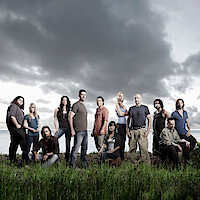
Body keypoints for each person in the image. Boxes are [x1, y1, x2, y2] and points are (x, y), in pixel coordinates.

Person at [126, 94, 151, 165]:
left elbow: (149, 119)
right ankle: (134, 166)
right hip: (132, 130)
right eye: (135, 98)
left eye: (138, 98)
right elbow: (128, 120)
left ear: (141, 99)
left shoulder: (145, 108)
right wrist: (127, 130)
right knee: (132, 149)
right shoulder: (131, 108)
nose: (136, 100)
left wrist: (148, 131)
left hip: (142, 130)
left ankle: (146, 166)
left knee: (144, 149)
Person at [6, 96, 28, 165]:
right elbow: (12, 116)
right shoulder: (13, 106)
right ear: (16, 100)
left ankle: (13, 161)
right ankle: (25, 162)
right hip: (17, 128)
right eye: (20, 100)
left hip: (18, 128)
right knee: (24, 144)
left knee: (14, 144)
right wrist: (17, 125)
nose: (21, 101)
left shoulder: (20, 110)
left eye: (22, 101)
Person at [69, 89, 88, 168]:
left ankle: (83, 164)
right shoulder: (76, 105)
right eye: (82, 94)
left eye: (85, 95)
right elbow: (70, 117)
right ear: (79, 95)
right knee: (76, 148)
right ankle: (72, 165)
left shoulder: (83, 105)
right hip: (78, 131)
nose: (83, 96)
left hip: (85, 131)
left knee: (84, 148)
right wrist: (72, 130)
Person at [54, 96, 71, 162]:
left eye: (66, 100)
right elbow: (55, 119)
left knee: (68, 144)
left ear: (67, 101)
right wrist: (56, 129)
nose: (64, 102)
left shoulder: (69, 110)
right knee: (54, 138)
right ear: (61, 101)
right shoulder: (57, 109)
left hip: (68, 128)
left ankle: (67, 160)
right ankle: (56, 155)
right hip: (61, 128)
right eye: (63, 100)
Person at [115, 91, 128, 160]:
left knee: (123, 140)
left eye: (122, 96)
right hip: (119, 125)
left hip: (124, 125)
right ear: (117, 97)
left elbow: (127, 113)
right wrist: (125, 113)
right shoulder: (117, 104)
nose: (121, 97)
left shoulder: (123, 106)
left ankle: (122, 156)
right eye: (120, 96)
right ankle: (118, 156)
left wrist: (125, 113)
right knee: (119, 141)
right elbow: (120, 114)